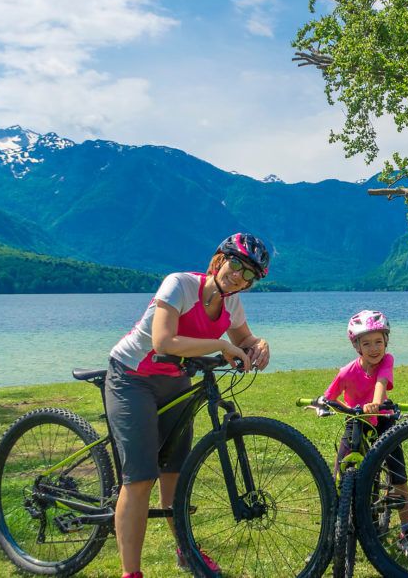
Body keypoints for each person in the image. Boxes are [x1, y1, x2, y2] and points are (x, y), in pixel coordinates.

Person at [105, 233, 273, 578]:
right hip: (132, 376)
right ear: (219, 260)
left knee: (175, 473)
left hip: (176, 380)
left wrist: (259, 345)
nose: (239, 276)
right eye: (237, 264)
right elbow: (163, 340)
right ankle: (130, 573)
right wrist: (220, 344)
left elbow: (245, 338)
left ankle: (186, 551)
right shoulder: (179, 285)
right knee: (140, 478)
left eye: (250, 275)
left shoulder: (231, 304)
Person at [320, 309, 408, 559]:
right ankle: (332, 532)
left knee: (398, 474)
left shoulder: (387, 360)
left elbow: (381, 382)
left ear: (386, 342)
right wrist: (324, 404)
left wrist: (376, 404)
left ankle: (406, 532)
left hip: (383, 419)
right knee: (339, 474)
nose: (374, 348)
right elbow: (329, 395)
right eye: (366, 343)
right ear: (356, 345)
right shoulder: (346, 371)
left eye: (379, 341)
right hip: (355, 421)